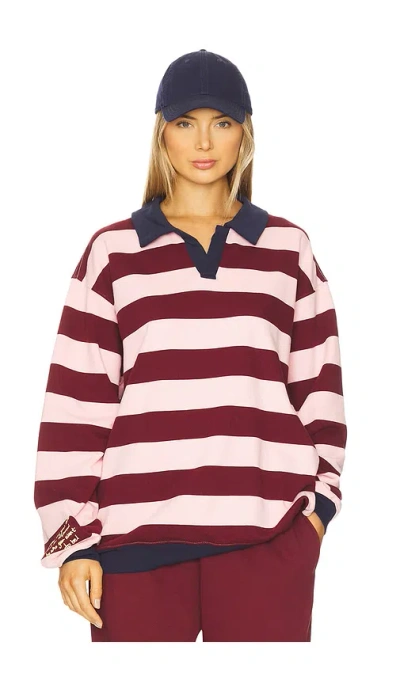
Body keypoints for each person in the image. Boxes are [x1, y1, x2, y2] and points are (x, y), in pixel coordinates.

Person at [34, 48, 347, 641]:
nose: (204, 141)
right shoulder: (112, 253)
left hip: (268, 538)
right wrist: (73, 540)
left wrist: (319, 512)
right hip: (133, 545)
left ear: (244, 133)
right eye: (185, 122)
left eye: (222, 122)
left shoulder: (288, 249)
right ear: (162, 134)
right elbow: (76, 406)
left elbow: (320, 391)